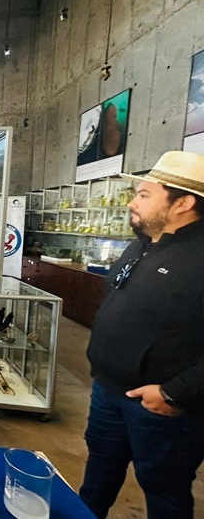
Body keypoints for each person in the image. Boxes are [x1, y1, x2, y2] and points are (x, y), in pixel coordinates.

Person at [79, 151, 204, 519]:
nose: (133, 202)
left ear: (183, 203)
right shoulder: (144, 243)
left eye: (145, 195)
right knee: (97, 476)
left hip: (162, 406)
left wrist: (175, 392)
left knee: (164, 490)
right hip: (107, 390)